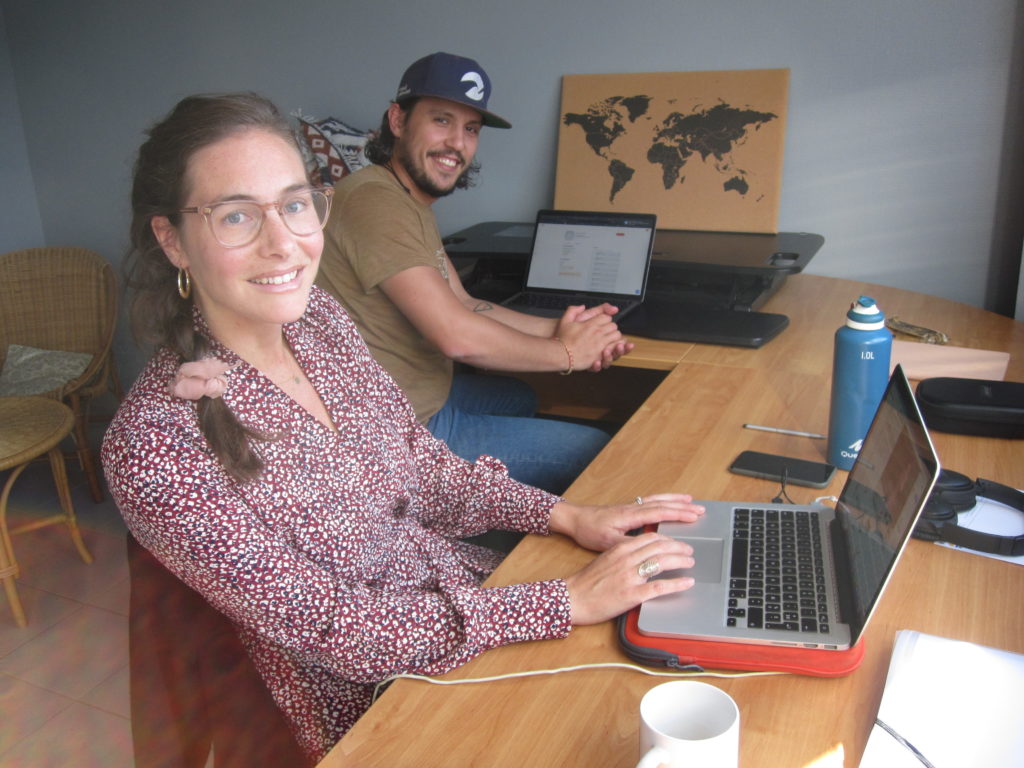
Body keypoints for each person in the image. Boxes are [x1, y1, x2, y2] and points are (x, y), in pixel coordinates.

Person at [102, 91, 703, 762]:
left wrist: (567, 517)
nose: (285, 244)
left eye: (295, 205)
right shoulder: (155, 446)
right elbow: (339, 630)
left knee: (666, 664)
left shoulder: (319, 320)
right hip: (383, 706)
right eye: (236, 216)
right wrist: (561, 601)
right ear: (172, 240)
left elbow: (424, 466)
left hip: (469, 606)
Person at [316, 52, 634, 495]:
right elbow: (457, 336)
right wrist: (568, 353)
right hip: (398, 434)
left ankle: (483, 505)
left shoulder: (406, 199)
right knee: (596, 451)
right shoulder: (375, 201)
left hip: (418, 398)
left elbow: (464, 303)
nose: (457, 143)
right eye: (441, 120)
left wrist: (561, 328)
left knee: (519, 396)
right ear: (398, 120)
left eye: (470, 129)